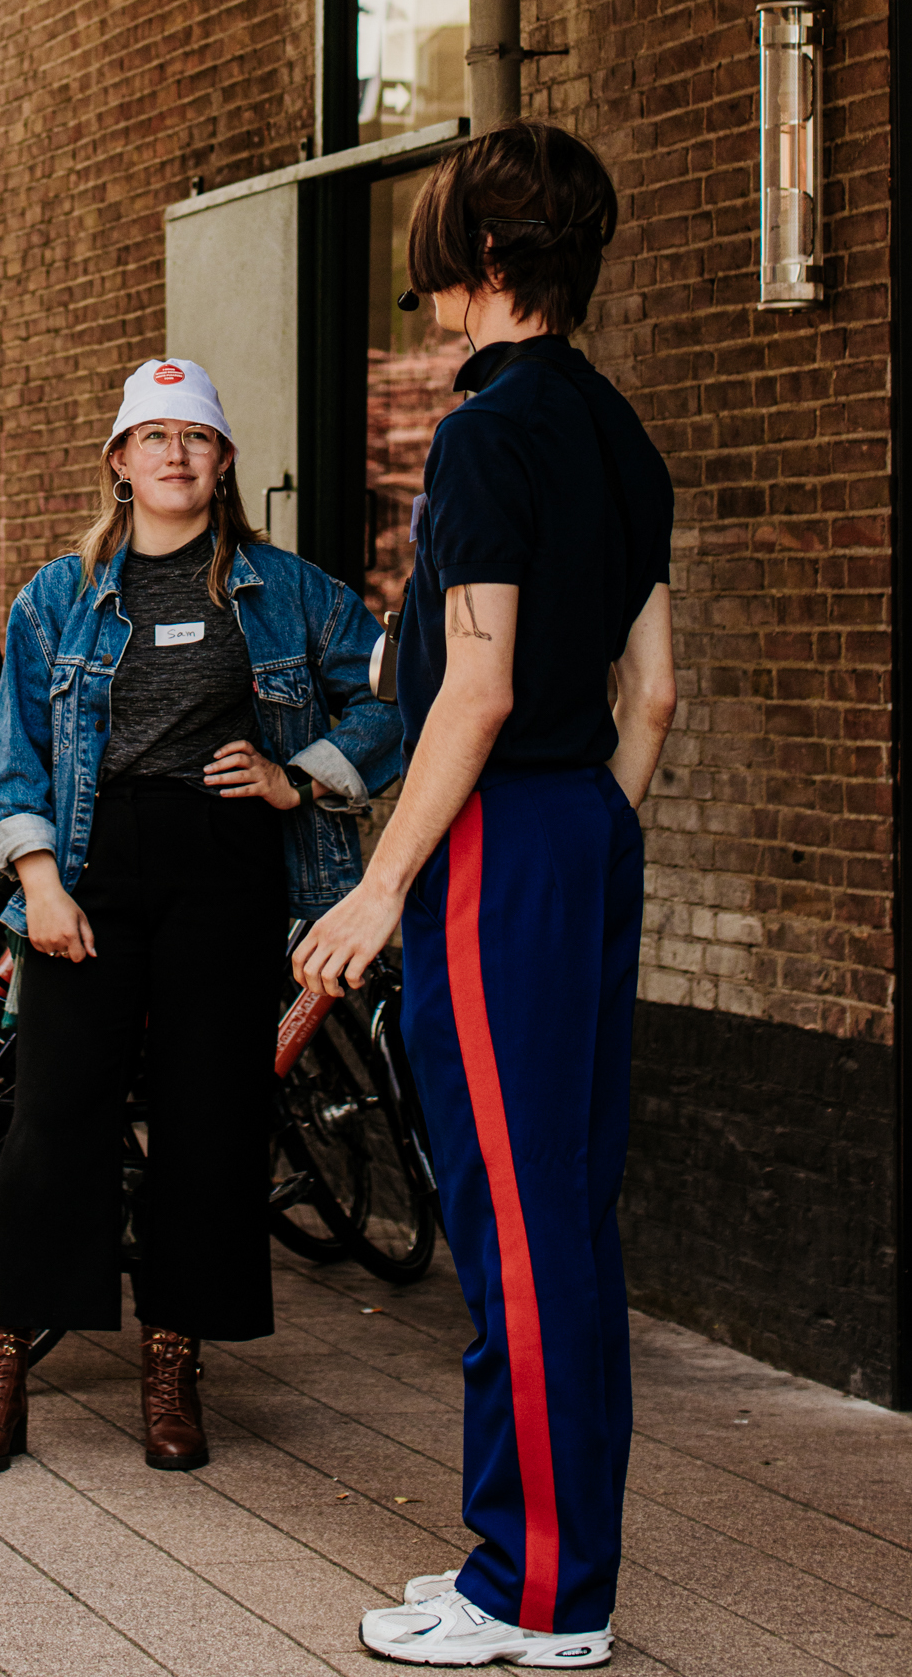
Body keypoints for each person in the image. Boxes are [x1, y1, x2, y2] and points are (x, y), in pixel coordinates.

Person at [293, 122, 676, 1675]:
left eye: (444, 257)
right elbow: (651, 695)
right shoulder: (619, 433)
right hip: (583, 829)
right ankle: (517, 1559)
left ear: (489, 267)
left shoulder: (482, 435)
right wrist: (586, 841)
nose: (428, 288)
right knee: (560, 1219)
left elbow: (479, 690)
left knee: (510, 1227)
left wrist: (388, 884)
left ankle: (543, 1595)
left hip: (497, 840)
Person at [0, 356, 401, 1477]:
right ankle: (1, 1365)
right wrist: (41, 884)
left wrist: (304, 774)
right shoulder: (57, 594)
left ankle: (173, 1363)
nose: (172, 453)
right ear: (117, 461)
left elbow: (397, 692)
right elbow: (18, 760)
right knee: (54, 1120)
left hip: (226, 872)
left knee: (208, 1126)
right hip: (92, 871)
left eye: (193, 436)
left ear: (222, 461)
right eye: (150, 436)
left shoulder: (287, 588)